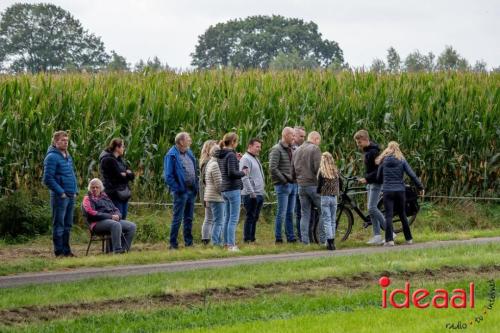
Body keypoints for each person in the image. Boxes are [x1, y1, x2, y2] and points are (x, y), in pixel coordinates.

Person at [376, 141, 424, 246]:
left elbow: (378, 177)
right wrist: (420, 187)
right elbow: (412, 174)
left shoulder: (383, 161)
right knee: (402, 214)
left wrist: (384, 182)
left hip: (388, 191)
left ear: (388, 149)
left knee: (388, 216)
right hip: (400, 191)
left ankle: (389, 241)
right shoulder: (402, 160)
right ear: (398, 149)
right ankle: (409, 239)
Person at [43, 131, 78, 257]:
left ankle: (67, 251)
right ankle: (59, 252)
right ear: (55, 142)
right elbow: (47, 179)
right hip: (60, 197)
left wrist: (75, 190)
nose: (66, 142)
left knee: (68, 225)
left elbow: (72, 175)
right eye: (63, 140)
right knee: (59, 225)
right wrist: (61, 192)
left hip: (70, 195)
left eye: (67, 140)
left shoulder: (68, 155)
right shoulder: (51, 157)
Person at [164, 132, 198, 249]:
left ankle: (189, 242)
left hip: (191, 191)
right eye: (188, 139)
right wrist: (179, 188)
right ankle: (173, 244)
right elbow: (168, 176)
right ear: (181, 142)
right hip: (181, 192)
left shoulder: (189, 152)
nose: (190, 141)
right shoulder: (172, 155)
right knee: (177, 218)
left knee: (189, 218)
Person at [82, 178, 136, 253]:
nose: (95, 189)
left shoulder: (104, 196)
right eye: (92, 187)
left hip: (111, 220)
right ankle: (117, 250)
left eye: (97, 187)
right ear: (89, 188)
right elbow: (92, 213)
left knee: (132, 226)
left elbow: (115, 208)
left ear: (100, 188)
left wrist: (118, 215)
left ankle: (124, 250)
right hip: (96, 223)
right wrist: (110, 216)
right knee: (115, 225)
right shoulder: (87, 199)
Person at [354, 130, 388, 245]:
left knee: (372, 207)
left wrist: (367, 179)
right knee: (371, 209)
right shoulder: (368, 151)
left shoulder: (373, 152)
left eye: (359, 142)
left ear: (365, 139)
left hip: (376, 182)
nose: (358, 145)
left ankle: (390, 231)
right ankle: (377, 236)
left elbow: (379, 170)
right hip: (370, 182)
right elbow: (371, 169)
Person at [218, 132, 248, 251]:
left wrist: (237, 160)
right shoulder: (230, 155)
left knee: (227, 217)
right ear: (232, 142)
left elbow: (228, 169)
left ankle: (226, 243)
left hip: (224, 189)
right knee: (233, 218)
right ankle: (231, 245)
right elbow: (232, 173)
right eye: (237, 141)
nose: (237, 143)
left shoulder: (222, 154)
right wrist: (243, 173)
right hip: (233, 188)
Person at [293, 131, 322, 245]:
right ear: (315, 139)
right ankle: (322, 238)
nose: (319, 143)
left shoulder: (297, 150)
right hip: (313, 185)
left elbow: (292, 169)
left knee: (305, 214)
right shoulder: (315, 149)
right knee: (323, 212)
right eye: (319, 141)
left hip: (301, 186)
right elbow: (317, 169)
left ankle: (305, 242)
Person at [269, 127, 297, 243]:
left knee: (290, 213)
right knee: (281, 213)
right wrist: (284, 180)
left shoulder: (293, 149)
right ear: (285, 135)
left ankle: (291, 237)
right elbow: (272, 168)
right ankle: (278, 238)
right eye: (292, 135)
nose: (294, 138)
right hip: (283, 185)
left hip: (293, 185)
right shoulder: (276, 149)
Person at [99, 138, 135, 219]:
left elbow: (132, 175)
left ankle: (122, 232)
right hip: (114, 193)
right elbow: (117, 177)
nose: (123, 148)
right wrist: (126, 174)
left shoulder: (120, 160)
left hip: (123, 193)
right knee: (118, 218)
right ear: (117, 148)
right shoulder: (107, 160)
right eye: (122, 146)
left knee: (124, 217)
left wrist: (125, 174)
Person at [240, 138, 265, 243]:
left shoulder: (255, 158)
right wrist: (252, 193)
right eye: (257, 146)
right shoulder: (246, 159)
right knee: (250, 216)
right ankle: (247, 239)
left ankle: (252, 238)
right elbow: (244, 177)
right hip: (251, 194)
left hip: (259, 192)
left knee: (255, 217)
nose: (259, 149)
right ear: (250, 146)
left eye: (260, 147)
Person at [317, 152, 341, 251]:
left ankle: (329, 242)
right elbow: (341, 183)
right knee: (332, 220)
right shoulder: (335, 171)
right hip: (334, 197)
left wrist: (318, 192)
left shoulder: (322, 172)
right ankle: (332, 243)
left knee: (326, 220)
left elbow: (319, 186)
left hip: (325, 197)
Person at [204, 145, 225, 246]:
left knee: (215, 220)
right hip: (216, 197)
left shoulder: (210, 163)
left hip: (210, 196)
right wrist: (225, 194)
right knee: (218, 221)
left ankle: (216, 241)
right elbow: (219, 184)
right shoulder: (215, 165)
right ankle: (216, 242)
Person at [199, 140, 219, 245]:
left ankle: (206, 239)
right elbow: (205, 180)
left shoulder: (206, 161)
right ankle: (206, 239)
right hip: (208, 192)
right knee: (209, 218)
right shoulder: (207, 162)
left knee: (209, 218)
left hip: (207, 192)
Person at [292, 126, 306, 240]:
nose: (303, 138)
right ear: (294, 135)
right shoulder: (292, 149)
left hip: (303, 183)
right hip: (295, 183)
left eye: (304, 136)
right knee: (298, 212)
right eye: (301, 136)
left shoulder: (303, 148)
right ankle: (300, 236)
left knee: (302, 211)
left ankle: (304, 235)